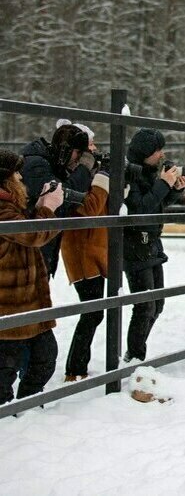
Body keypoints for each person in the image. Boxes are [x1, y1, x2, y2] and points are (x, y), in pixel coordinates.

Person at [0, 149, 64, 404]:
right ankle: (8, 415)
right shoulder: (3, 210)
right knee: (6, 369)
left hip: (28, 304)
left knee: (45, 357)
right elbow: (34, 236)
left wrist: (39, 206)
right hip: (9, 305)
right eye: (16, 173)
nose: (21, 177)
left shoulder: (10, 206)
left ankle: (26, 407)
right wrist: (48, 208)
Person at [123, 128, 185, 362]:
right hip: (134, 245)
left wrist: (175, 189)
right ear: (145, 152)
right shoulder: (129, 173)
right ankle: (134, 357)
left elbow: (156, 205)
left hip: (151, 244)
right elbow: (140, 209)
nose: (162, 154)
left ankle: (134, 353)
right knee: (144, 307)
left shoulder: (151, 171)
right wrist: (163, 184)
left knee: (157, 305)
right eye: (157, 150)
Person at [59, 124, 110, 382]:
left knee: (94, 311)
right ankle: (74, 368)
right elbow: (88, 208)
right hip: (82, 250)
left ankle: (77, 367)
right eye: (91, 146)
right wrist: (104, 179)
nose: (96, 150)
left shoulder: (88, 172)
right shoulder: (75, 176)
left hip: (93, 247)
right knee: (92, 312)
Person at [19, 120, 97, 277]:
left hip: (38, 255)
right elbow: (64, 195)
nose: (79, 159)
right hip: (26, 258)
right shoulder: (36, 165)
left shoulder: (55, 165)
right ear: (65, 149)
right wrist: (84, 169)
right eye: (78, 153)